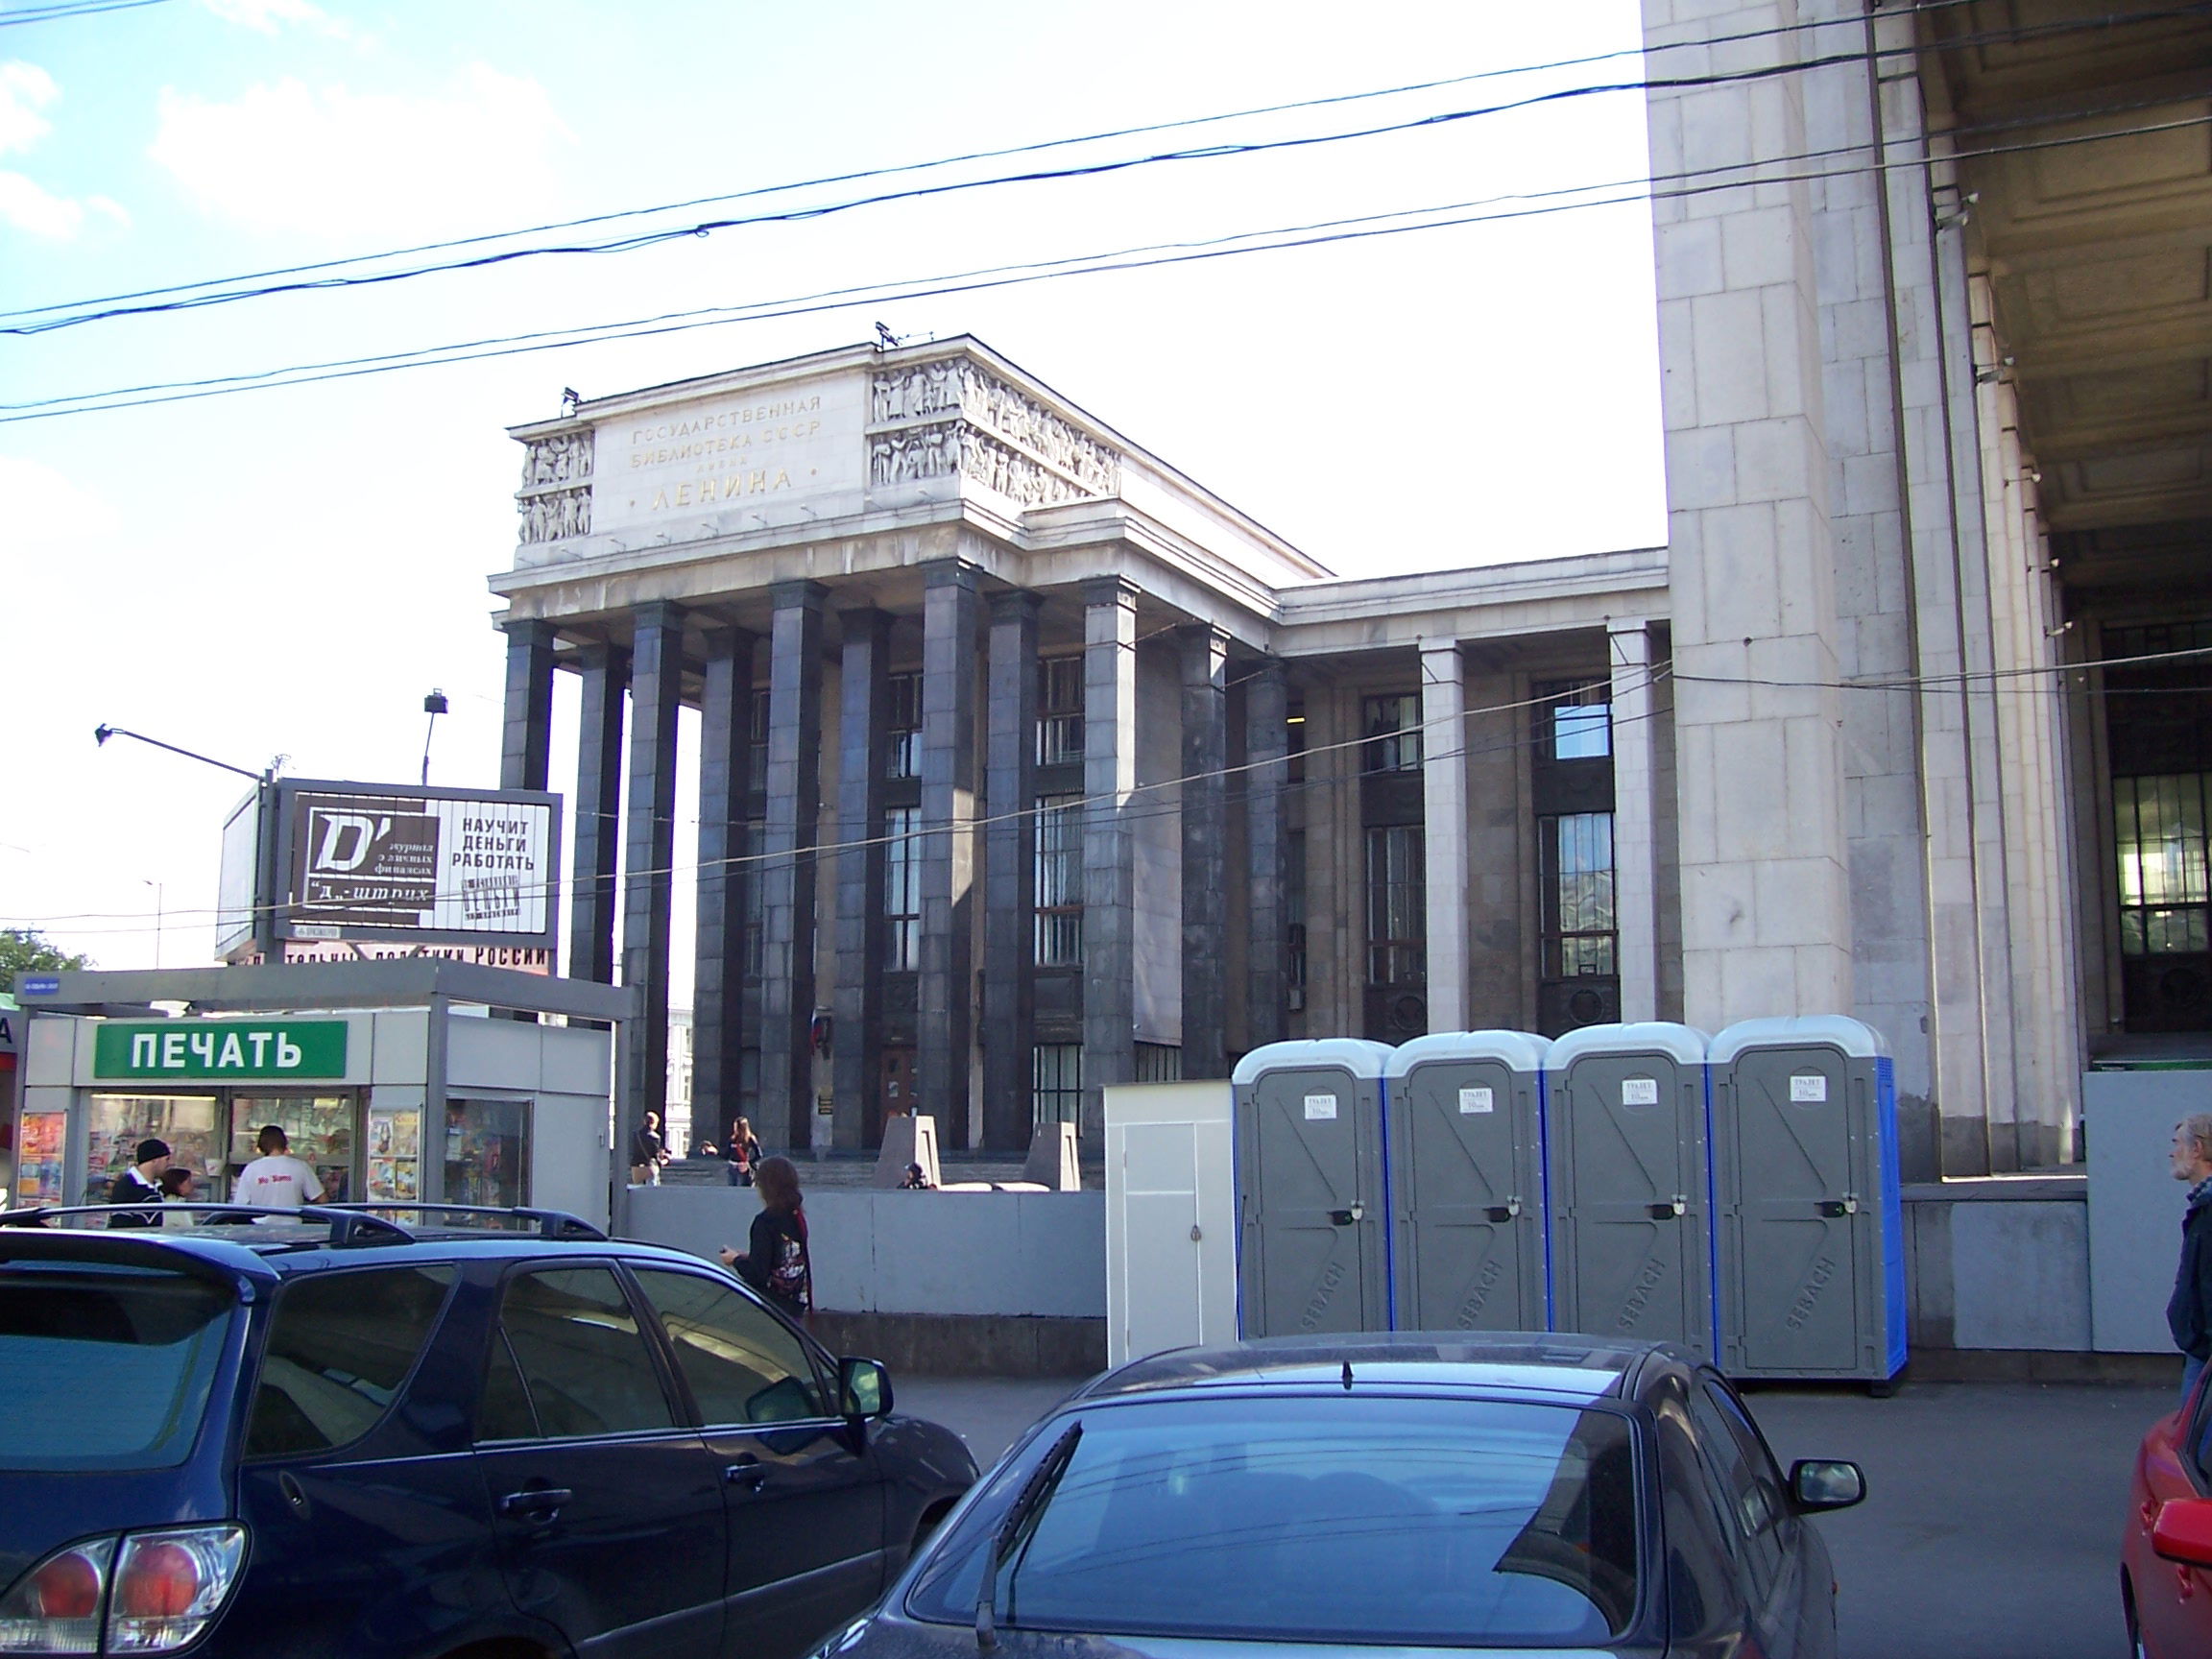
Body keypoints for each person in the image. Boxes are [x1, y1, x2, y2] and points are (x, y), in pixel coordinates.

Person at [719, 1155, 811, 1321]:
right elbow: (779, 1258)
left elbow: (757, 1274)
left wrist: (735, 1260)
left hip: (772, 1309)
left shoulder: (765, 1222)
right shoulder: (796, 1216)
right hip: (796, 1305)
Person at [2171, 1114, 2212, 1404]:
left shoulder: (2209, 1211)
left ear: (2196, 1149)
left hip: (2205, 1353)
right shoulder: (2202, 1207)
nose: (2172, 1153)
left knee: (2197, 1444)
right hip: (2200, 1347)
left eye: (2177, 1144)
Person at [234, 1125, 327, 1212]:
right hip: (293, 1226)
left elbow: (240, 1205)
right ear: (284, 1143)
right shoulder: (300, 1167)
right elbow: (322, 1199)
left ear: (261, 1144)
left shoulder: (251, 1169)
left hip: (259, 1226)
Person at [106, 1138, 170, 1228]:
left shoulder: (158, 1186)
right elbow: (120, 1225)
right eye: (167, 1159)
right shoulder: (126, 1187)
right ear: (155, 1160)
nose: (168, 1164)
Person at [630, 1112, 669, 1186]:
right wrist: (663, 1161)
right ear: (654, 1123)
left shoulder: (636, 1134)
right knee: (651, 1190)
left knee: (637, 1190)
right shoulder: (655, 1137)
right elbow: (655, 1155)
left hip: (636, 1166)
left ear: (644, 1121)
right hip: (649, 1166)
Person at [159, 1166, 199, 1230]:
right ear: (178, 1184)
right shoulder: (173, 1206)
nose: (192, 1185)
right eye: (189, 1181)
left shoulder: (179, 1203)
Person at [725, 1117, 760, 1188]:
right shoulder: (732, 1139)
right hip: (732, 1167)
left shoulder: (750, 1139)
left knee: (742, 1189)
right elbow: (726, 1155)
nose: (735, 1129)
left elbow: (759, 1154)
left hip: (743, 1168)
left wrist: (747, 1164)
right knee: (731, 1189)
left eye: (738, 1127)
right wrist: (715, 1152)